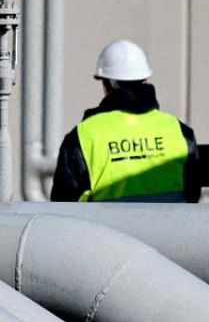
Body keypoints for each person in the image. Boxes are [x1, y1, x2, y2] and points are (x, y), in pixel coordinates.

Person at [51, 40, 200, 203]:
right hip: (170, 227)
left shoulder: (83, 136)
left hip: (103, 228)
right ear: (145, 80)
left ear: (106, 84)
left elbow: (62, 205)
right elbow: (193, 194)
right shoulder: (178, 131)